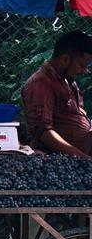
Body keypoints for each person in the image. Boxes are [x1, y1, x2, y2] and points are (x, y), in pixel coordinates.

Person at [21, 30, 92, 158]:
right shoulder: (40, 84)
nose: (85, 71)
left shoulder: (67, 79)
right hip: (59, 160)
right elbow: (44, 133)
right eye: (82, 65)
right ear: (65, 59)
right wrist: (84, 158)